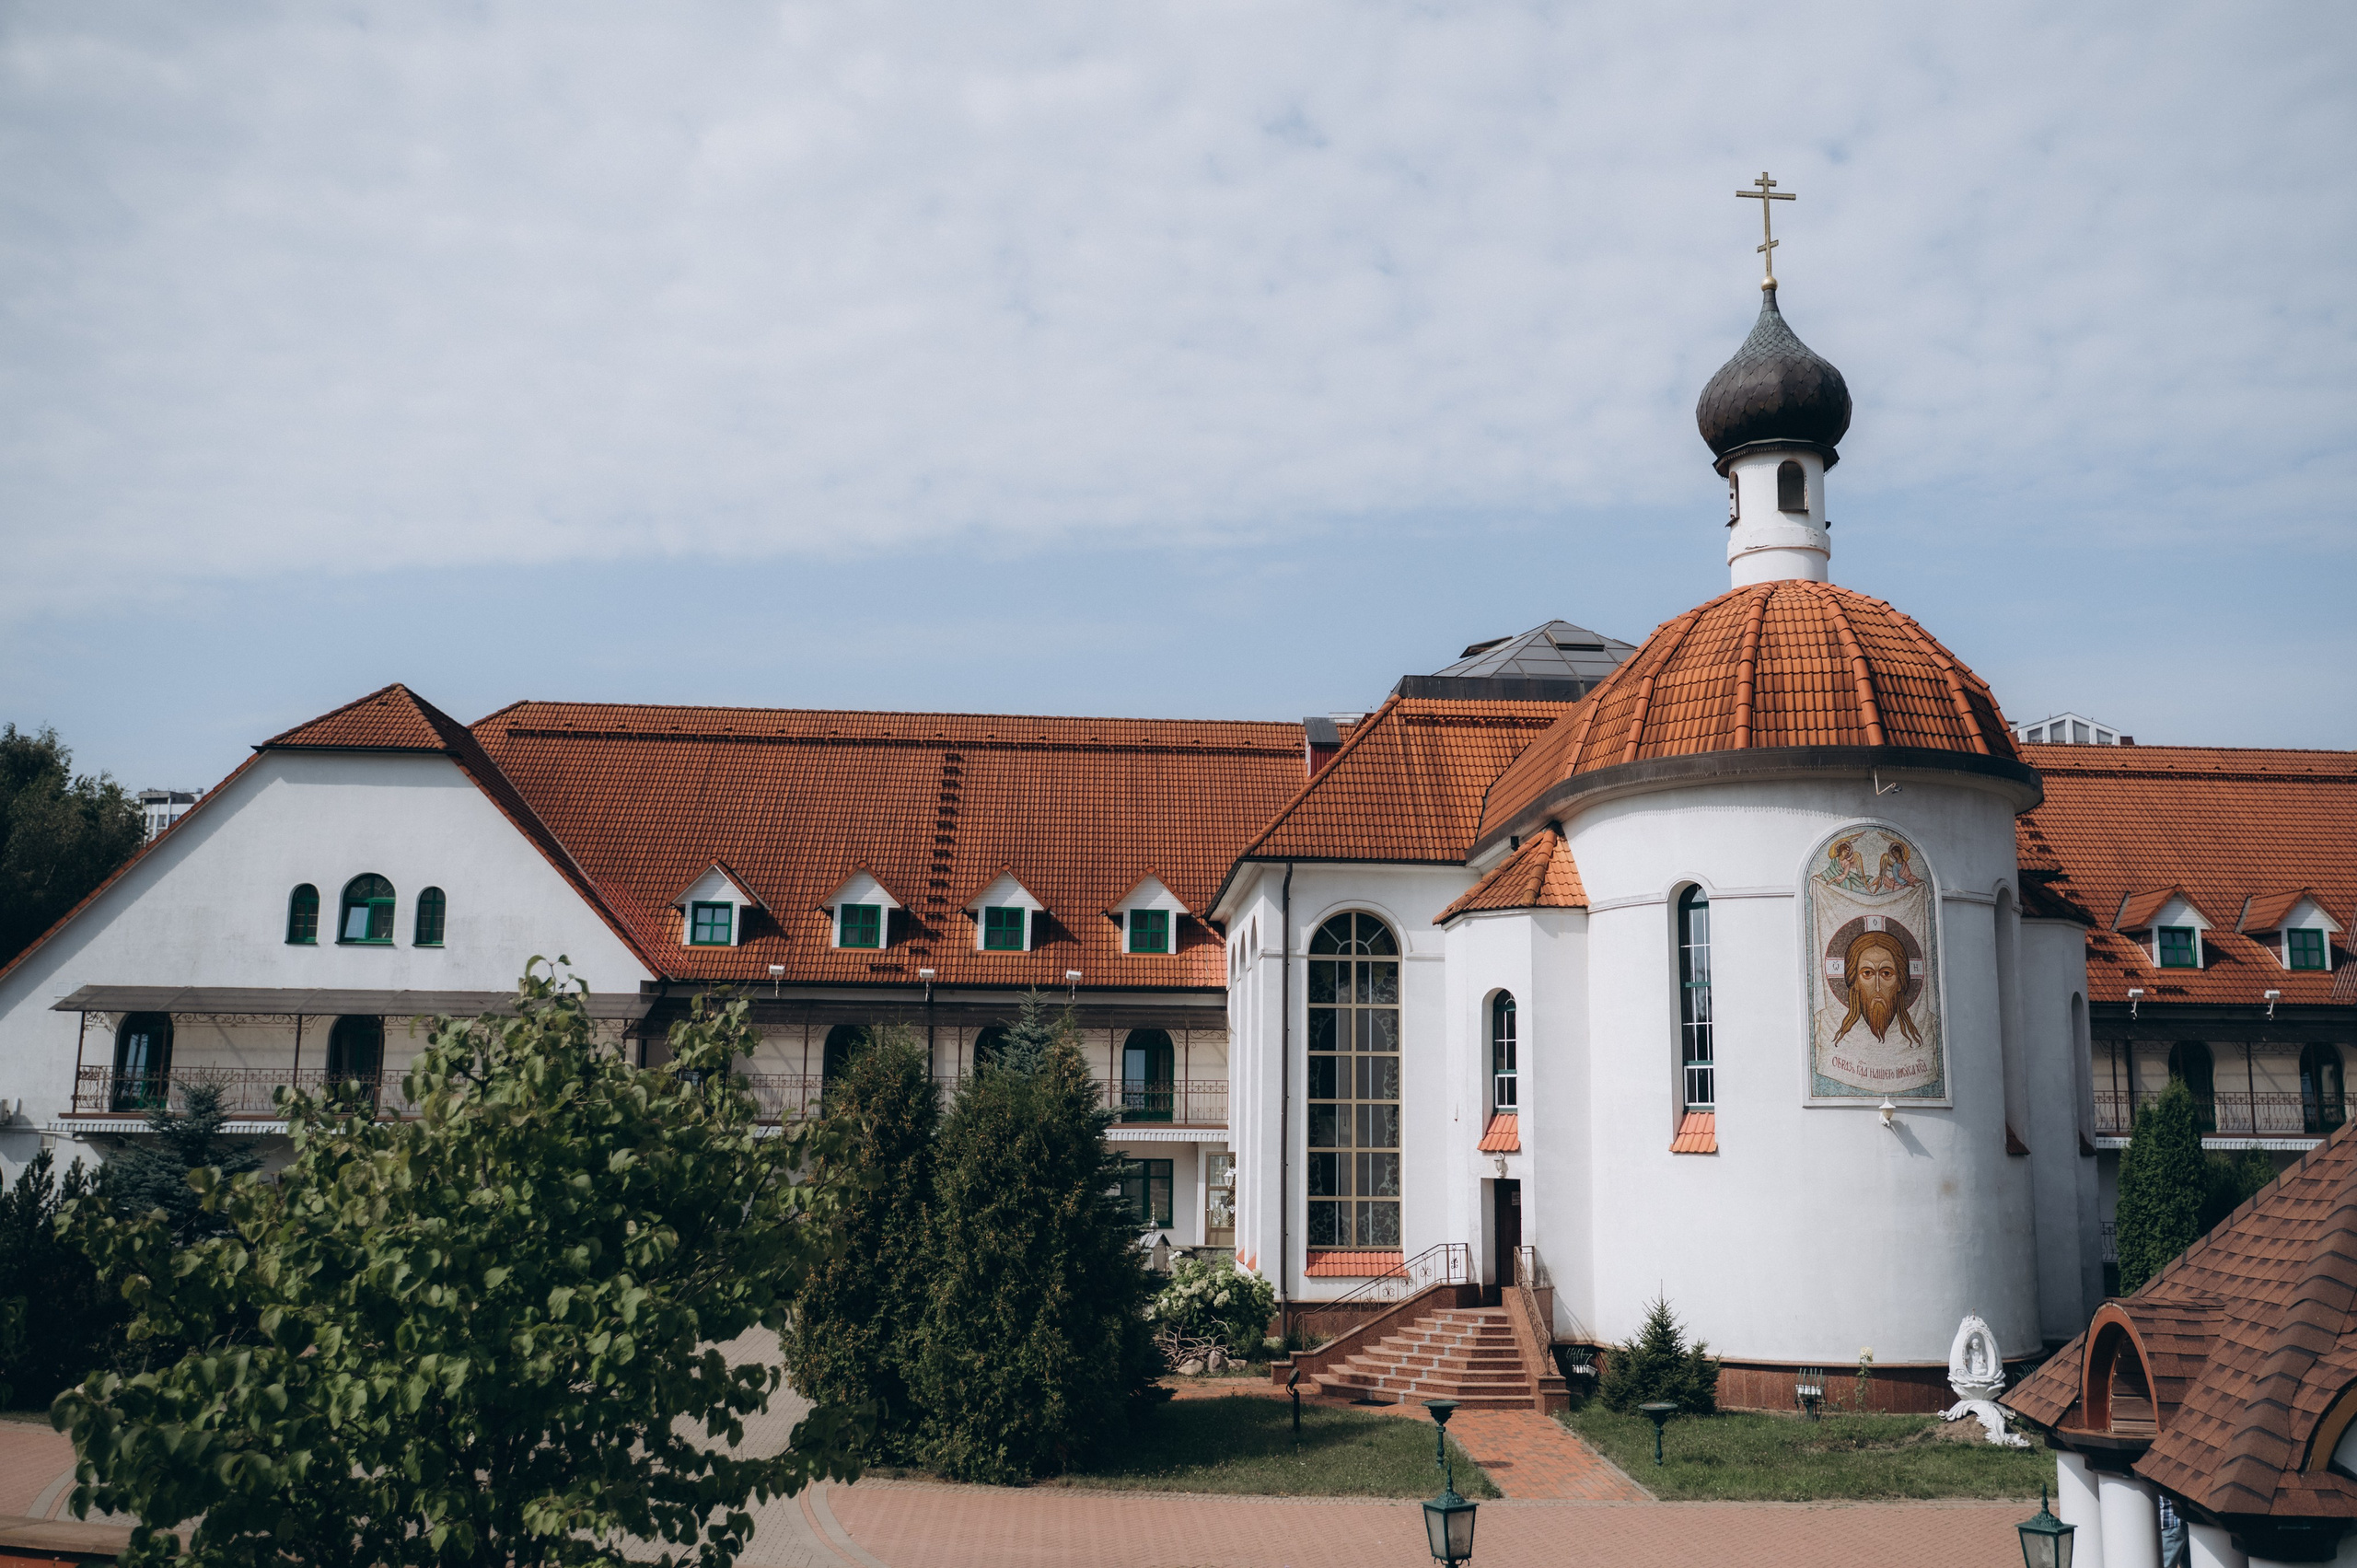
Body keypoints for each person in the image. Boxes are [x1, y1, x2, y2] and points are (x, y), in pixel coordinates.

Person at [1832, 928, 1923, 1047]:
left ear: (1899, 983)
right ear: (1856, 983)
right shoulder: (1825, 1024)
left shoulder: (1926, 1025)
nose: (1877, 987)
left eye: (1886, 973)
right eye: (1867, 973)